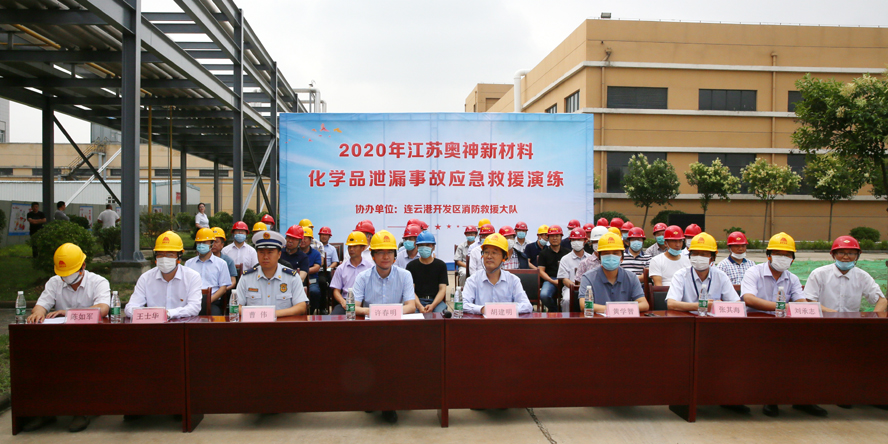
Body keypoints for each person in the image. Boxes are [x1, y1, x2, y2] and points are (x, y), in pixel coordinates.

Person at [22, 243, 110, 432]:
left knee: (78, 362)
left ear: (83, 266)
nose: (66, 276)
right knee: (40, 360)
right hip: (61, 339)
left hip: (91, 340)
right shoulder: (54, 282)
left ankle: (81, 411)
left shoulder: (98, 282)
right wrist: (37, 313)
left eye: (70, 271)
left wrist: (68, 312)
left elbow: (103, 308)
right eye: (63, 273)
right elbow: (41, 304)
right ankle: (45, 411)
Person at [739, 232, 818, 418]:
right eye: (778, 253)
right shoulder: (754, 272)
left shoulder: (792, 278)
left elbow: (800, 301)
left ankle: (802, 399)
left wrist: (806, 308)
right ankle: (770, 399)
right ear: (769, 255)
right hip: (754, 327)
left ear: (792, 259)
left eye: (787, 254)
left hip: (784, 328)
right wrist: (781, 306)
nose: (783, 258)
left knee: (805, 356)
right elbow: (749, 299)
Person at [126, 231, 202, 319]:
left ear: (179, 256)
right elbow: (130, 307)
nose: (164, 258)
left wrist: (168, 313)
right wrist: (149, 313)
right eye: (160, 254)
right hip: (153, 324)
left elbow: (194, 308)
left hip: (182, 324)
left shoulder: (192, 277)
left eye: (170, 254)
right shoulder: (146, 278)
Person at [235, 230, 308, 318]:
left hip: (282, 324)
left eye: (270, 252)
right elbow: (236, 307)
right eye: (261, 252)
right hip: (255, 323)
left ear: (279, 254)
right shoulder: (246, 277)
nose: (265, 257)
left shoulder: (292, 277)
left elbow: (301, 307)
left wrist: (272, 314)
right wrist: (259, 315)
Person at [804, 236, 887, 313]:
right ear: (833, 255)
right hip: (823, 320)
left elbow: (882, 300)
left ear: (857, 256)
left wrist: (874, 317)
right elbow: (809, 300)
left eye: (851, 253)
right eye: (841, 253)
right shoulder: (819, 274)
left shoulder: (862, 276)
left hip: (852, 321)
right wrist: (832, 313)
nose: (846, 257)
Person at [578, 232, 649, 314]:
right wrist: (613, 309)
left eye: (615, 253)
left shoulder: (631, 277)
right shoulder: (588, 277)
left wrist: (616, 309)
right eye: (606, 253)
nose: (611, 256)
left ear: (621, 257)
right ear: (599, 256)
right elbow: (584, 305)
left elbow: (644, 304)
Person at [462, 233, 533, 315]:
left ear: (504, 257)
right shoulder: (473, 280)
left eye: (494, 253)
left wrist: (502, 309)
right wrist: (482, 309)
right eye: (486, 252)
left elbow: (527, 306)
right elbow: (462, 304)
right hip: (482, 322)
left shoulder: (513, 280)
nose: (489, 256)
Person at [666, 232, 740, 310]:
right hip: (688, 316)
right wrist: (701, 305)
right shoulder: (680, 275)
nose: (698, 257)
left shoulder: (720, 276)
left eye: (703, 254)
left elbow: (737, 303)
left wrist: (721, 305)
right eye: (695, 253)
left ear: (712, 258)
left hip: (712, 317)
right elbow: (671, 304)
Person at [185, 228, 232, 315]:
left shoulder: (221, 264)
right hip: (191, 302)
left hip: (212, 302)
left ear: (212, 243)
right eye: (199, 242)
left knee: (215, 319)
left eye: (204, 242)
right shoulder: (189, 263)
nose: (201, 245)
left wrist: (208, 301)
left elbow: (223, 288)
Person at [330, 231, 373, 314]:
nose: (351, 249)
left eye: (355, 246)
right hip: (347, 301)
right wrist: (343, 302)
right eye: (349, 246)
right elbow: (336, 290)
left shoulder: (370, 267)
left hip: (365, 303)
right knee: (334, 318)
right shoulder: (341, 268)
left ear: (363, 248)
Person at [406, 231, 448, 313]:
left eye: (428, 245)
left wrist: (433, 305)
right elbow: (411, 291)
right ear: (417, 247)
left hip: (436, 302)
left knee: (440, 316)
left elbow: (442, 290)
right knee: (412, 316)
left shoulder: (441, 265)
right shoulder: (411, 266)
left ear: (433, 247)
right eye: (421, 245)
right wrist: (419, 306)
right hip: (417, 301)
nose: (424, 247)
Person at [557, 227, 592, 305]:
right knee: (566, 300)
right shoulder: (565, 259)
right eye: (573, 240)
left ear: (585, 241)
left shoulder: (590, 258)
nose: (576, 242)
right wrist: (576, 287)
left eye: (579, 240)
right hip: (570, 288)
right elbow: (564, 279)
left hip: (589, 288)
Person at [538, 225, 568, 312]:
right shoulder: (543, 253)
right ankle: (556, 311)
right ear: (548, 238)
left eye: (557, 236)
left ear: (561, 237)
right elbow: (541, 271)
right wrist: (552, 281)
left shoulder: (567, 252)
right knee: (544, 295)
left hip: (566, 279)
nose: (554, 238)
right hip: (550, 279)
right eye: (552, 236)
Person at [300, 227, 324, 314]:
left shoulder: (316, 253)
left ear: (310, 240)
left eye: (305, 238)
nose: (303, 241)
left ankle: (311, 311)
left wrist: (303, 272)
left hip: (312, 279)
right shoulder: (294, 252)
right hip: (296, 279)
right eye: (301, 238)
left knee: (314, 292)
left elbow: (317, 267)